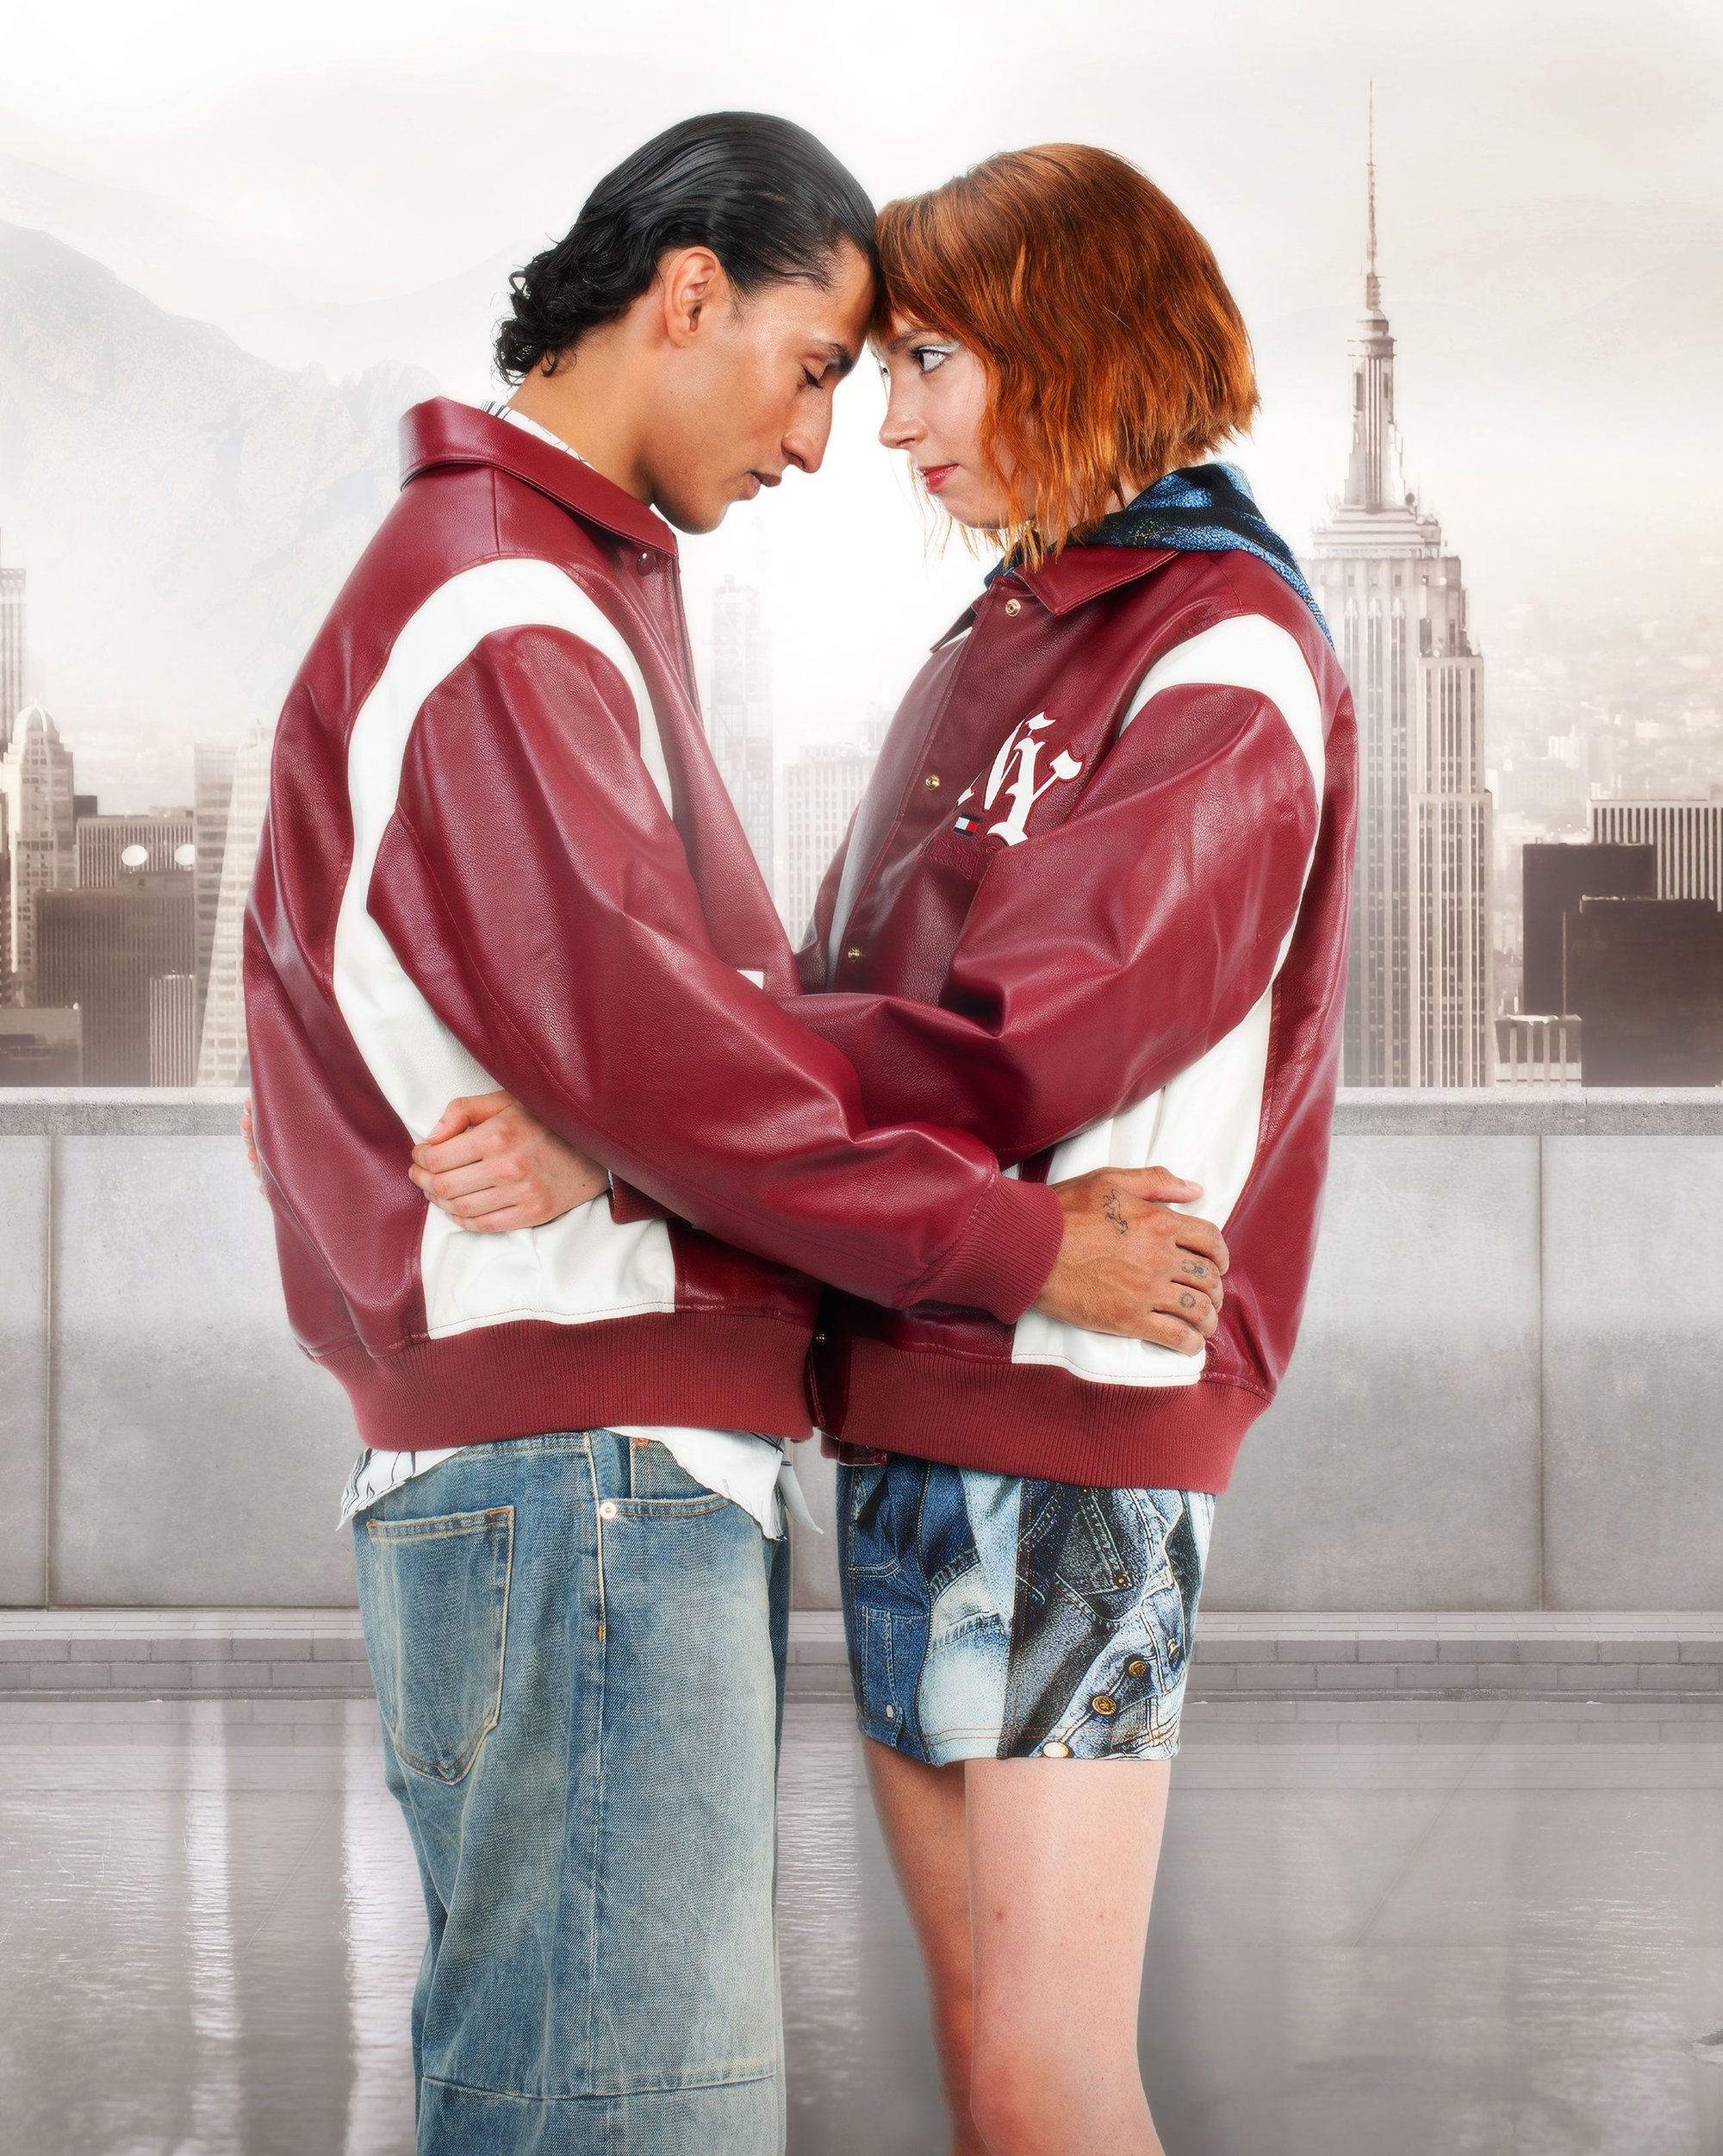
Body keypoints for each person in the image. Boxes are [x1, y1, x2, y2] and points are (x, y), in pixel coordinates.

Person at [241, 115, 1227, 2156]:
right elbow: (694, 1073)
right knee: (627, 2115)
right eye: (813, 365)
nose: (821, 441)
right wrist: (1029, 1250)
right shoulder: (503, 607)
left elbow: (680, 1051)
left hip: (571, 1454)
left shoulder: (555, 584)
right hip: (582, 1461)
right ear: (688, 293)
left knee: (576, 2088)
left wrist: (621, 1137)